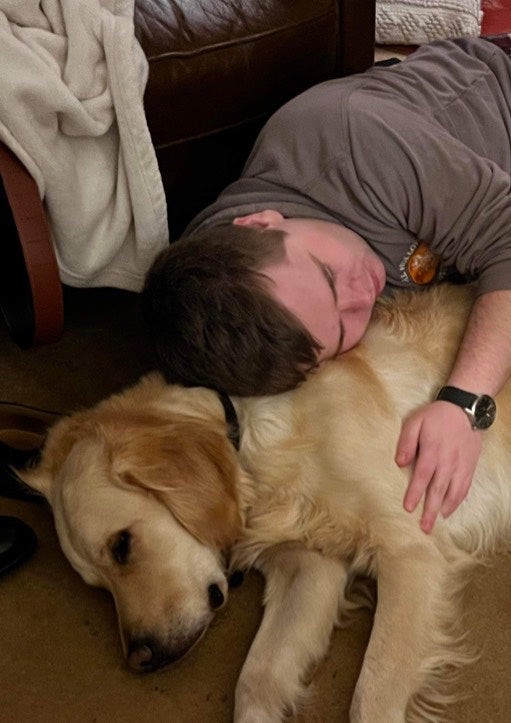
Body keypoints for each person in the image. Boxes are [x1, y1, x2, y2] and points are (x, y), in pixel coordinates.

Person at [142, 36, 511, 535]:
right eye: (341, 328)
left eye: (329, 274)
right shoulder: (219, 313)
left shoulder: (353, 146)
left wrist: (464, 404)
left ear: (260, 223)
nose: (363, 294)